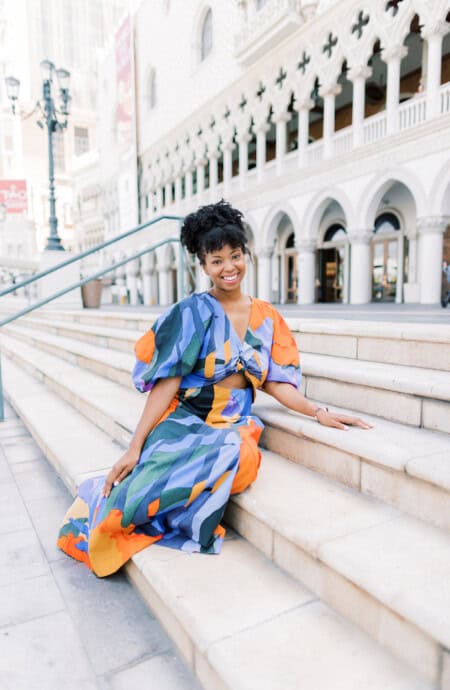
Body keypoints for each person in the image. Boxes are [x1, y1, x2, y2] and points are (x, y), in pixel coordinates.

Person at [57, 201, 372, 577]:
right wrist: (136, 445)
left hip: (233, 421)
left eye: (235, 256)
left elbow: (274, 380)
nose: (229, 268)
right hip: (187, 416)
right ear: (203, 266)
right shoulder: (190, 312)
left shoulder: (267, 317)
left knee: (241, 462)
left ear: (245, 256)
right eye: (217, 260)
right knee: (133, 495)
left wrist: (317, 411)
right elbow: (168, 380)